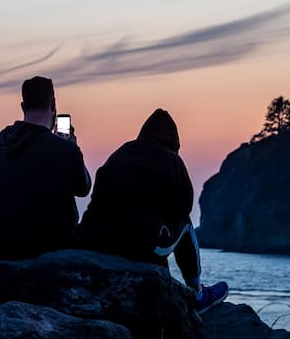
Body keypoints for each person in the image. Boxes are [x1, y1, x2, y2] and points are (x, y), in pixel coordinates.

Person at [75, 109, 228, 313]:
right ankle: (197, 293)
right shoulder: (172, 161)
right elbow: (184, 207)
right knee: (185, 224)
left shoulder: (120, 153)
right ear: (174, 143)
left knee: (153, 225)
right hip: (138, 241)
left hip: (95, 239)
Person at [0, 76, 91, 261]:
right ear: (53, 105)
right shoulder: (64, 149)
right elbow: (83, 188)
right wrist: (73, 147)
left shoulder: (0, 141)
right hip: (47, 243)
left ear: (23, 106)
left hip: (0, 241)